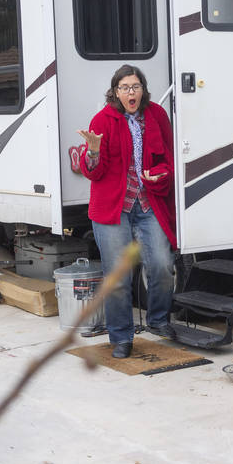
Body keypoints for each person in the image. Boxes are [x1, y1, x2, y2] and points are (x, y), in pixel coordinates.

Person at [78, 64, 177, 358]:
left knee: (161, 266)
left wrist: (161, 174)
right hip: (113, 208)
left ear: (143, 90)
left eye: (135, 87)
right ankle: (121, 337)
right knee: (118, 277)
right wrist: (93, 151)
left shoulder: (157, 115)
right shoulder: (103, 119)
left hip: (149, 203)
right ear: (115, 92)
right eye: (124, 88)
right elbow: (93, 173)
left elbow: (168, 158)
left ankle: (158, 321)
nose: (131, 92)